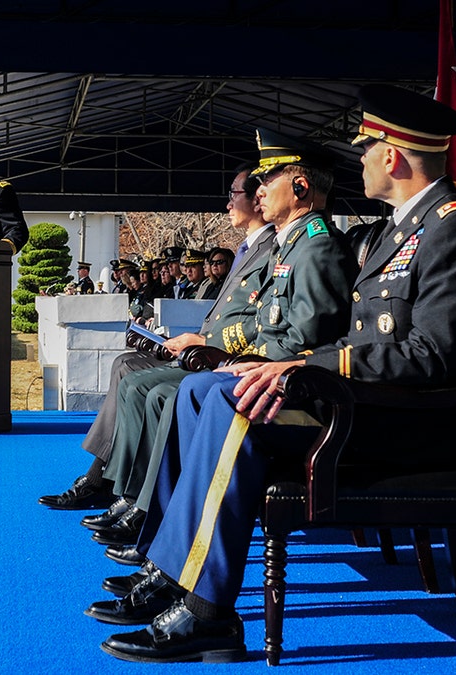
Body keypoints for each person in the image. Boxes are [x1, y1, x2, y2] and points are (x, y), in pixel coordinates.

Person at [98, 85, 456, 664]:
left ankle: (208, 612)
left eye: (366, 148)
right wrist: (293, 365)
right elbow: (362, 336)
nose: (358, 159)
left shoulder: (455, 229)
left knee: (239, 406)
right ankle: (171, 571)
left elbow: (432, 356)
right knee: (205, 388)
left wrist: (305, 366)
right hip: (368, 399)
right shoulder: (397, 230)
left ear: (392, 156)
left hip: (412, 417)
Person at [85, 130, 356, 552]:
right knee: (162, 388)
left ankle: (161, 528)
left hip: (296, 389)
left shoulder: (317, 247)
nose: (259, 192)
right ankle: (155, 519)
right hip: (261, 368)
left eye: (269, 182)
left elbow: (304, 337)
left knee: (178, 393)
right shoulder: (293, 247)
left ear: (300, 187)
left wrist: (236, 359)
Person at [39, 162, 277, 509]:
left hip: (226, 360)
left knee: (137, 382)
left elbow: (257, 321)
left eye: (233, 195)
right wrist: (195, 337)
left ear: (257, 200)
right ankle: (102, 477)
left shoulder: (271, 249)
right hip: (206, 348)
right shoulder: (248, 249)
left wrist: (204, 344)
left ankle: (124, 489)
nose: (227, 205)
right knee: (124, 362)